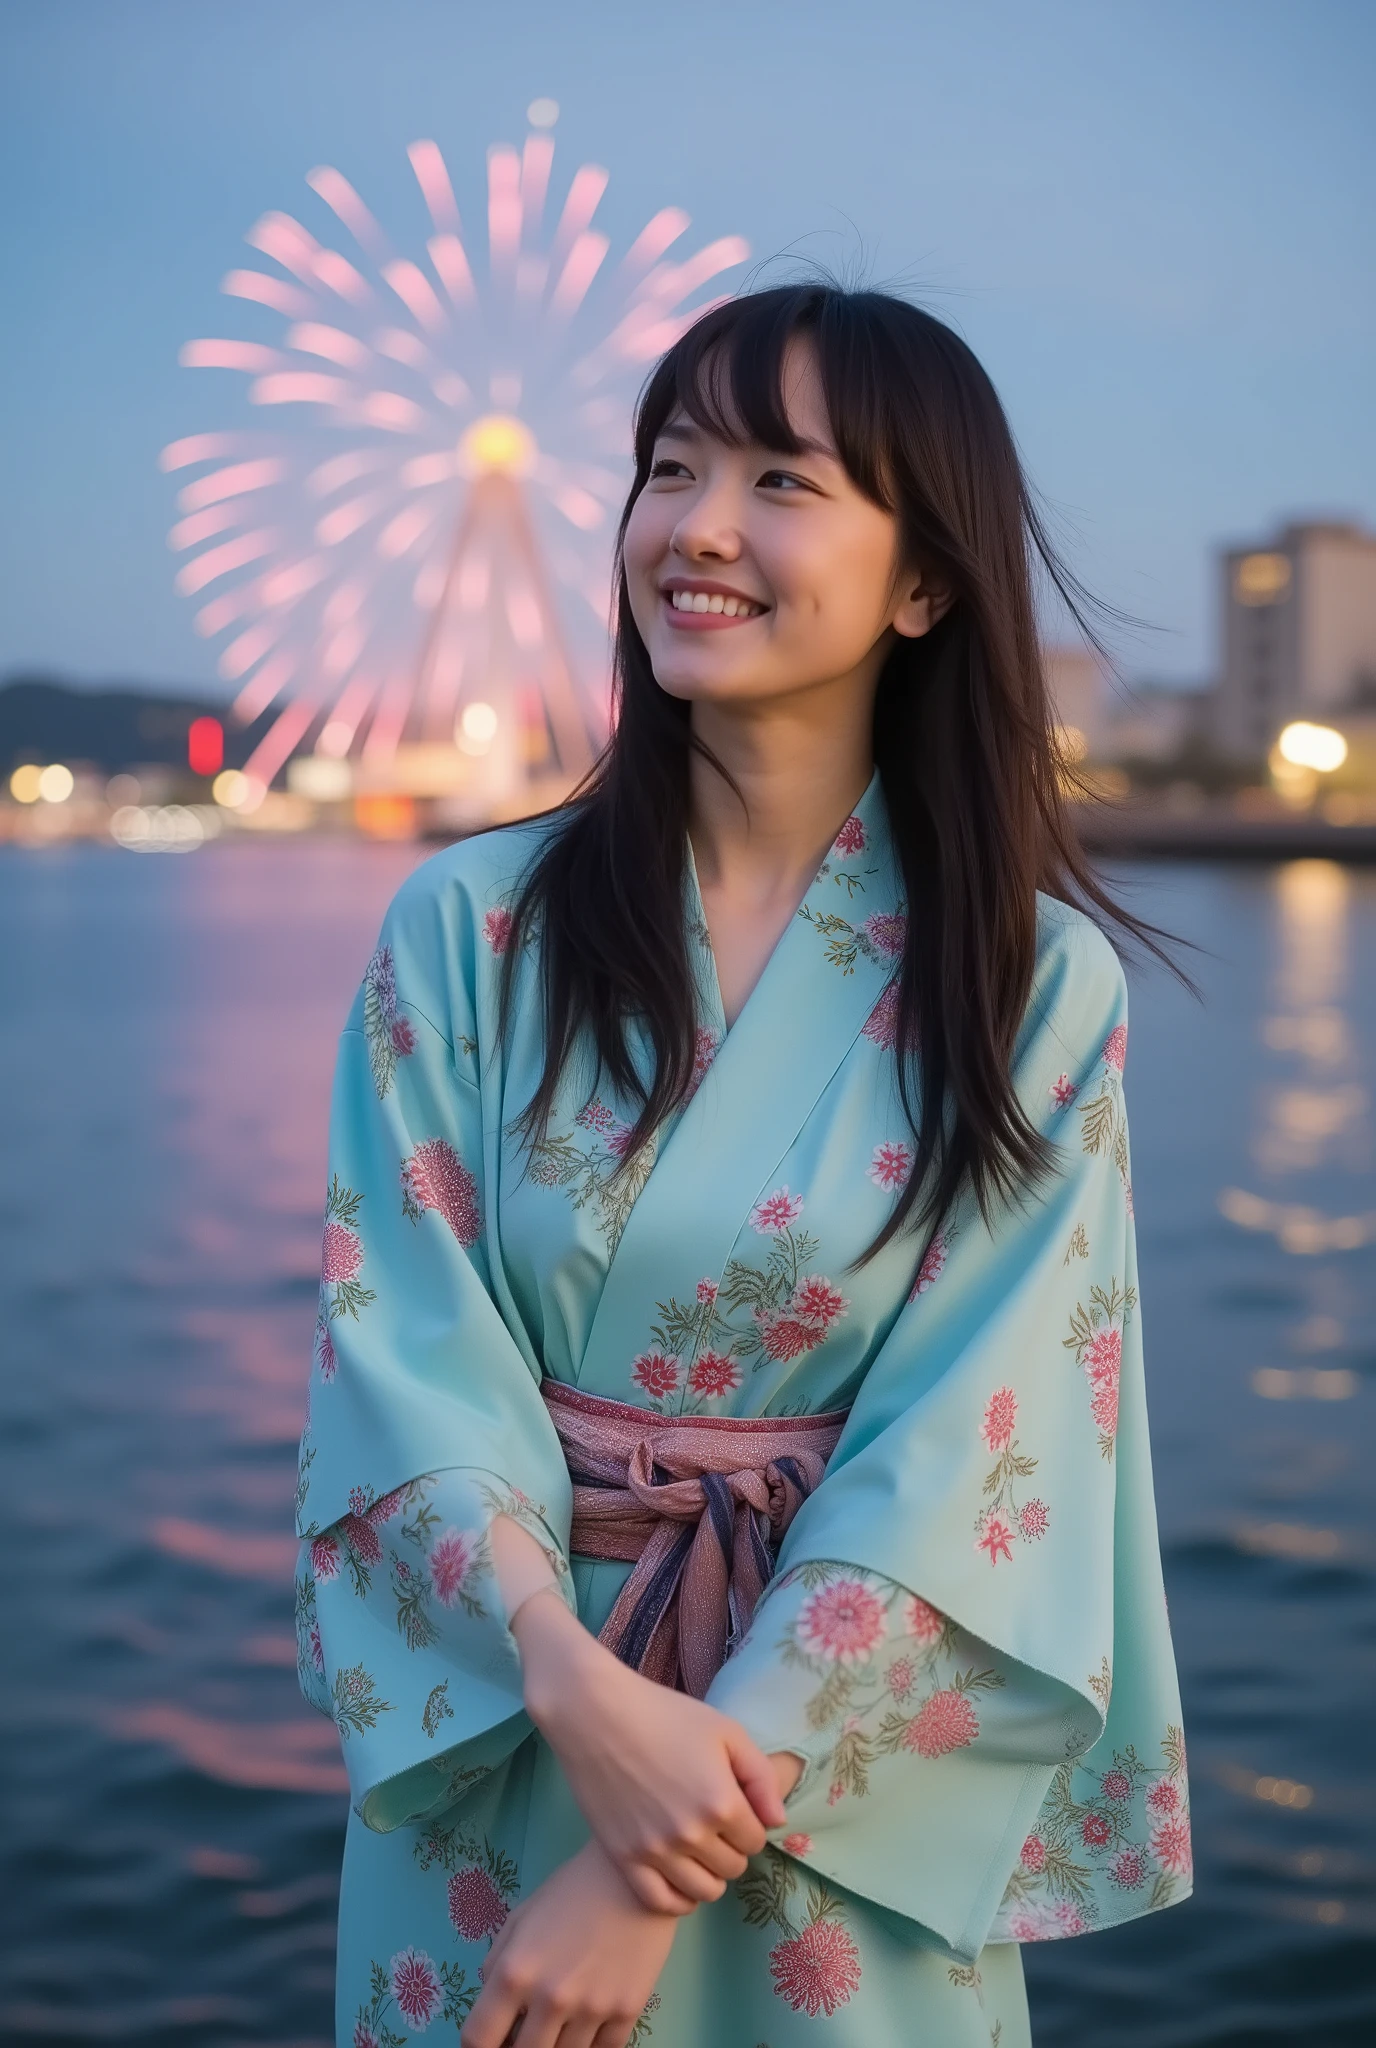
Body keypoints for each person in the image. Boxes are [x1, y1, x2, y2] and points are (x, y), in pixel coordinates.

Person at [294, 283, 1191, 2048]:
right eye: (671, 466)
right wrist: (570, 1686)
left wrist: (648, 1866)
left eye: (784, 480)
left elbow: (980, 1450)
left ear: (924, 582)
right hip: (517, 1736)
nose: (698, 526)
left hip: (811, 1796)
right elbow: (397, 1360)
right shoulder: (465, 932)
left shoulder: (1031, 989)